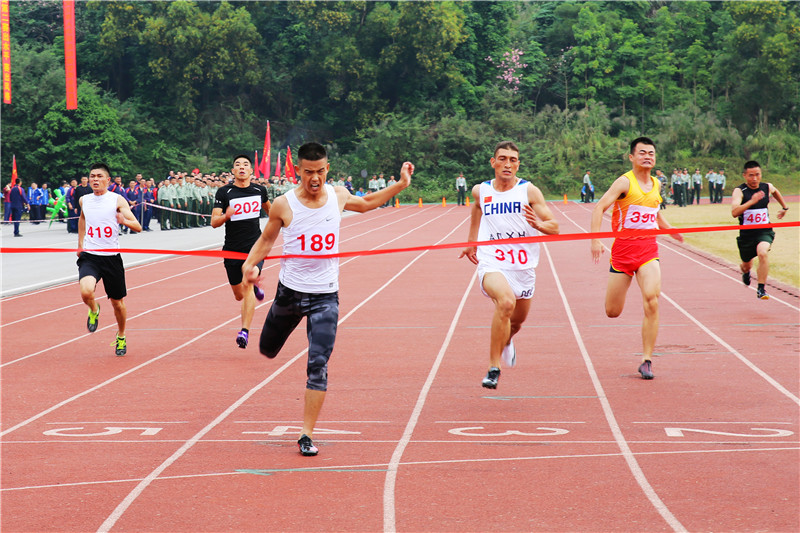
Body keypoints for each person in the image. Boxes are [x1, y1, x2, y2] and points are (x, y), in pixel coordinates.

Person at [242, 142, 413, 456]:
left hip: (325, 296)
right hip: (290, 294)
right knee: (267, 349)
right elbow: (266, 239)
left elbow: (368, 202)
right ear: (298, 170)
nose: (315, 178)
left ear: (327, 169)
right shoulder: (284, 204)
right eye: (309, 172)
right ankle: (272, 339)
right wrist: (249, 266)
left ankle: (306, 434)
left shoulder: (338, 195)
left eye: (320, 171)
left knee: (318, 365)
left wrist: (400, 184)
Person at [458, 141, 559, 389]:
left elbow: (554, 227)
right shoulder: (481, 190)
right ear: (493, 162)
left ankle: (507, 340)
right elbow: (477, 207)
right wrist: (472, 241)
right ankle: (494, 368)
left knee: (516, 323)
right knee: (505, 302)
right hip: (492, 261)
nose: (507, 164)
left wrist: (538, 225)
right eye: (502, 158)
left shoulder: (529, 191)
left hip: (523, 267)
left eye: (513, 160)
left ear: (518, 165)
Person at [590, 137, 684, 380]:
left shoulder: (656, 184)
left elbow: (654, 214)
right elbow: (599, 208)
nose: (647, 156)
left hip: (648, 252)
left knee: (652, 300)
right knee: (612, 311)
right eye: (642, 152)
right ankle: (645, 356)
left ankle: (646, 360)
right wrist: (595, 240)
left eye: (651, 153)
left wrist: (671, 230)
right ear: (632, 157)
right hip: (622, 255)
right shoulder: (624, 182)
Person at [77, 163, 142, 356]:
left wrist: (123, 221)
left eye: (99, 176)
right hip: (90, 256)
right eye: (92, 176)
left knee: (117, 303)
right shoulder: (84, 200)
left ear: (108, 180)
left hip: (111, 259)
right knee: (86, 291)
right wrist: (80, 244)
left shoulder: (117, 200)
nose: (95, 179)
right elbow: (82, 219)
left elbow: (137, 226)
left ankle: (121, 335)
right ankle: (94, 309)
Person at [210, 154, 271, 349]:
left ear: (251, 170)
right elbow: (214, 222)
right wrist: (226, 216)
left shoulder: (260, 190)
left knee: (248, 280)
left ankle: (244, 331)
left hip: (255, 247)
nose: (242, 167)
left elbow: (272, 212)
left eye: (245, 164)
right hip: (232, 249)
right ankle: (254, 286)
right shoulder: (224, 192)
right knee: (239, 294)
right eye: (238, 164)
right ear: (233, 171)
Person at [730, 160, 789, 300]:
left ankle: (761, 289)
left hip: (764, 231)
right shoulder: (740, 191)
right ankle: (746, 272)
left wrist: (784, 207)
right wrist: (752, 201)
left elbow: (775, 191)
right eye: (751, 175)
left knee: (762, 253)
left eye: (757, 174)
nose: (755, 178)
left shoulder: (766, 187)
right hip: (746, 235)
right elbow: (734, 212)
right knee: (746, 265)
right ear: (744, 175)